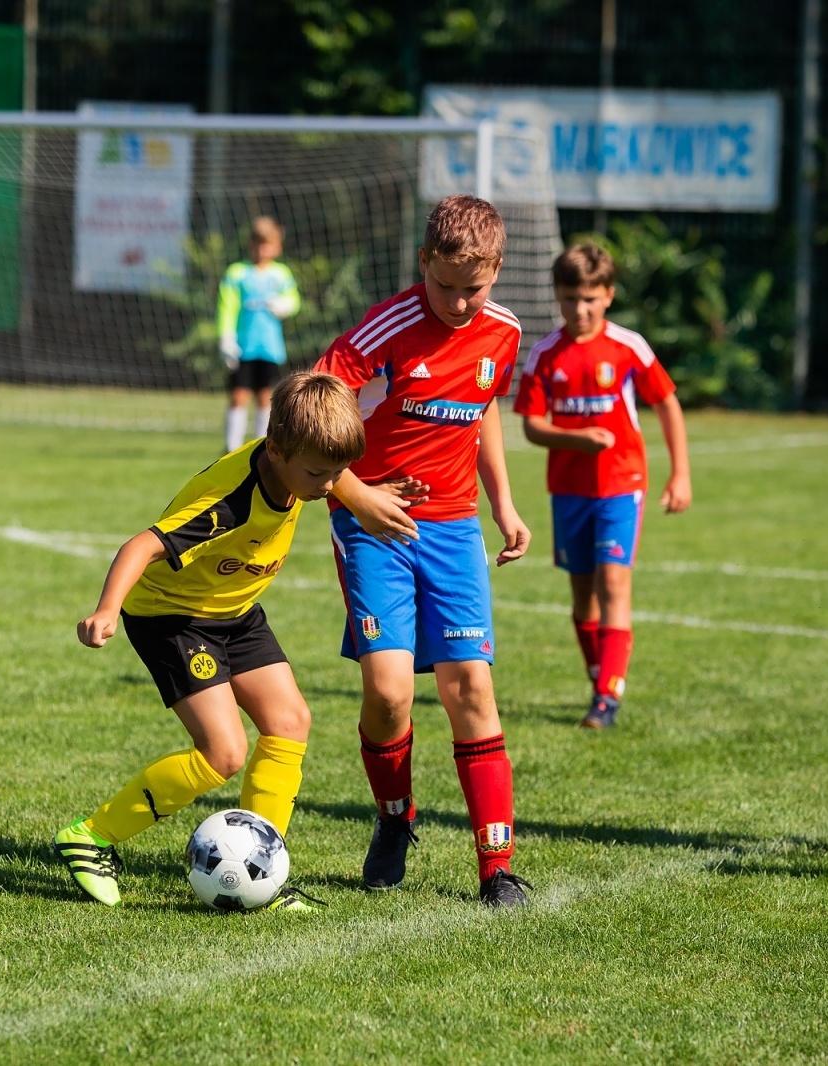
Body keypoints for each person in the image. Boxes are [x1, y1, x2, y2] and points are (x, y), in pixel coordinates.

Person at [55, 372, 410, 911]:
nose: (331, 483)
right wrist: (106, 611)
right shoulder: (230, 503)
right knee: (223, 752)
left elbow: (329, 472)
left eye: (339, 471)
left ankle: (261, 871)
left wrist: (360, 493)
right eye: (319, 473)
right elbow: (140, 546)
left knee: (290, 722)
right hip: (172, 617)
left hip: (234, 611)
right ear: (277, 451)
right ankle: (91, 837)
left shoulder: (299, 463)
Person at [314, 194, 534, 908]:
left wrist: (502, 502)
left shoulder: (502, 332)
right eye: (445, 286)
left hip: (453, 528)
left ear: (497, 271)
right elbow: (311, 402)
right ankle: (394, 819)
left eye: (475, 288)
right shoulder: (389, 326)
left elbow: (483, 411)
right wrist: (354, 493)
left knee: (470, 685)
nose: (461, 303)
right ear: (423, 264)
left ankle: (495, 868)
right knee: (389, 691)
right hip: (374, 523)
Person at [514, 243, 691, 729]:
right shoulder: (545, 352)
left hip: (621, 484)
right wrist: (575, 438)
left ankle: (607, 697)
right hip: (568, 489)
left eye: (590, 298)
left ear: (608, 295)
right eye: (570, 298)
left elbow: (668, 403)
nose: (580, 309)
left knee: (615, 582)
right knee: (582, 595)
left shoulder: (629, 346)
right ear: (558, 296)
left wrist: (680, 473)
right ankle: (599, 677)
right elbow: (530, 424)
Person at [220, 216, 301, 454]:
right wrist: (226, 337)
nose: (263, 250)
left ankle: (259, 446)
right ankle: (232, 447)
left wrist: (285, 304)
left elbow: (294, 300)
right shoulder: (237, 273)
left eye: (268, 244)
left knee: (266, 396)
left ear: (277, 247)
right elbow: (227, 306)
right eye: (259, 244)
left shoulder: (282, 274)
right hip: (243, 346)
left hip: (269, 347)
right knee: (239, 394)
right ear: (251, 244)